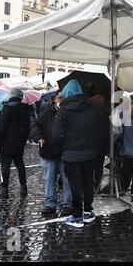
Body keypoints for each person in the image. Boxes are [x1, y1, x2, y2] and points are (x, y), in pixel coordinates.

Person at [52, 80, 105, 228]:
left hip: (70, 154)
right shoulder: (94, 108)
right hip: (89, 153)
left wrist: (62, 147)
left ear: (67, 93)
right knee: (88, 182)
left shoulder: (63, 111)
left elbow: (56, 135)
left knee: (74, 184)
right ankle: (88, 211)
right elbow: (101, 131)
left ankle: (76, 216)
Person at [32, 91, 72, 216]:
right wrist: (39, 137)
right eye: (59, 98)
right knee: (49, 179)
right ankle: (50, 203)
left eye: (63, 98)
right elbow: (35, 126)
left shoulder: (69, 113)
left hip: (65, 152)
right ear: (54, 99)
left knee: (67, 180)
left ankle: (67, 204)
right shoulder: (46, 113)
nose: (61, 100)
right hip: (48, 152)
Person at [0, 88, 31, 198]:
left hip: (6, 143)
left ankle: (4, 190)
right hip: (19, 143)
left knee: (5, 166)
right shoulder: (25, 109)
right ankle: (23, 187)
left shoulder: (7, 108)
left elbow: (1, 127)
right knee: (20, 165)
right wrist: (23, 140)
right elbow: (27, 127)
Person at [90, 94, 110, 192]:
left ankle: (91, 186)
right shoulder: (105, 114)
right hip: (101, 146)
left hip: (91, 145)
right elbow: (106, 132)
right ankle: (97, 186)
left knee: (90, 167)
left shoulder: (90, 114)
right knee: (99, 168)